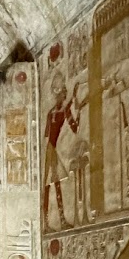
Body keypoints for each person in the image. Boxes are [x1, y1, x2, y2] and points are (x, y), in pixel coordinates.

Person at [43, 75, 80, 229]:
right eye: (62, 93)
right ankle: (53, 221)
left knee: (52, 184)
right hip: (52, 150)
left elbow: (48, 134)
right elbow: (74, 127)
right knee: (52, 184)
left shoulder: (52, 112)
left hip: (50, 149)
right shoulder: (58, 112)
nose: (62, 96)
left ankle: (51, 221)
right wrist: (78, 108)